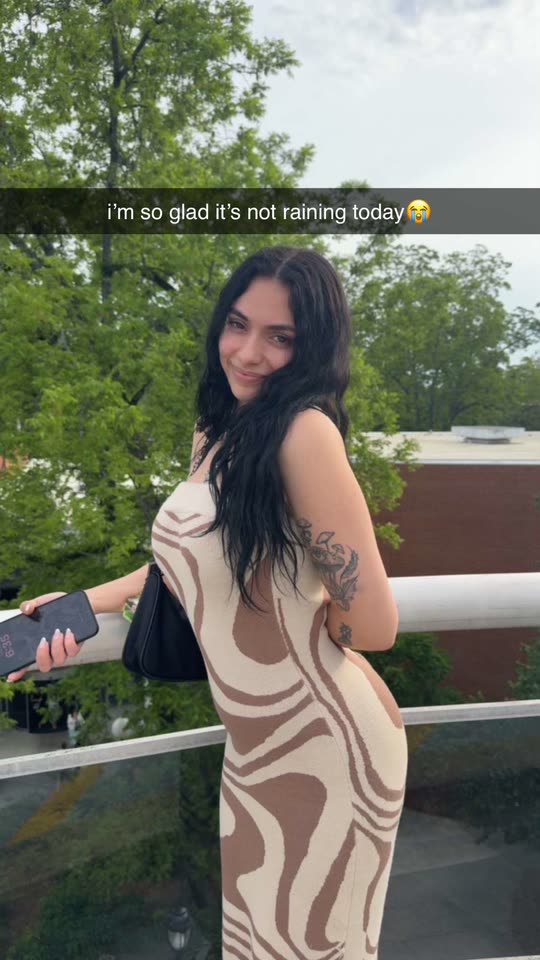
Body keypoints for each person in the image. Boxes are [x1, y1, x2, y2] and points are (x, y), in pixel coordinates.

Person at [8, 246, 408, 960]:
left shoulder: (305, 433)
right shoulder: (219, 431)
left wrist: (293, 613)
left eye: (280, 337)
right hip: (252, 751)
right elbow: (181, 563)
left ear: (313, 347)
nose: (248, 353)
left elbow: (373, 623)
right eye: (237, 324)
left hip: (326, 748)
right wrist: (78, 604)